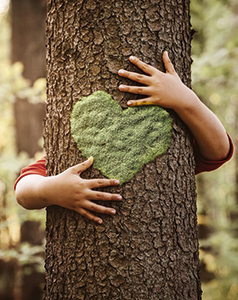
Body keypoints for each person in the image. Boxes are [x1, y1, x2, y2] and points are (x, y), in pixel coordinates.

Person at [14, 51, 233, 224]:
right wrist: (51, 190)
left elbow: (219, 151)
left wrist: (186, 100)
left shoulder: (169, 143)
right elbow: (24, 190)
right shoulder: (73, 154)